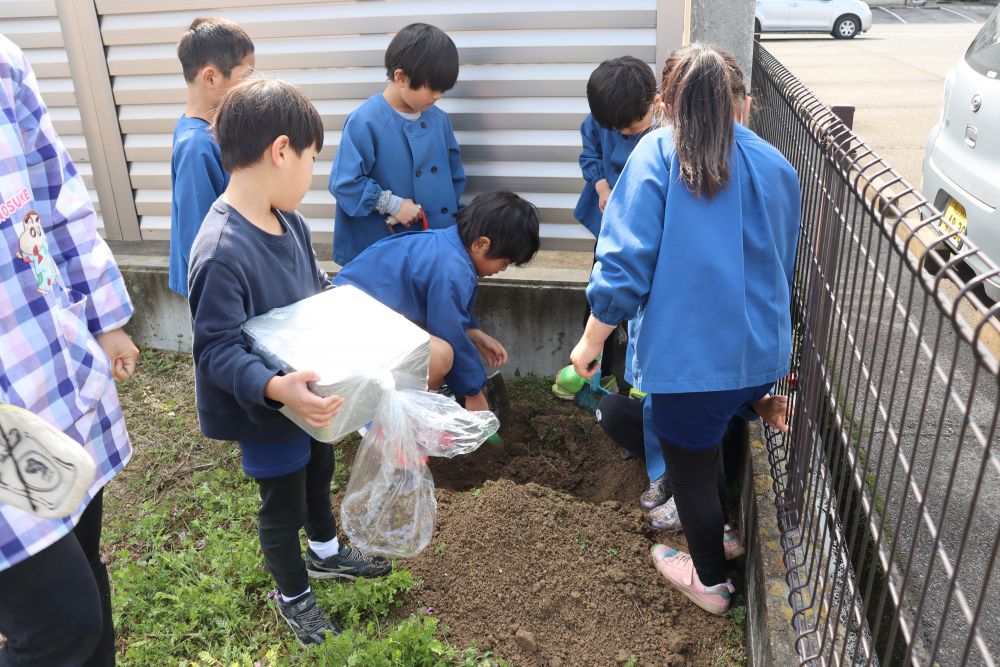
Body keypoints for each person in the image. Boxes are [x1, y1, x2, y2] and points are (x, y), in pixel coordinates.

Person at [570, 44, 801, 616]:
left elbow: (624, 263)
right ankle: (719, 532)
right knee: (713, 439)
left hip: (687, 361)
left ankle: (710, 582)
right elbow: (783, 260)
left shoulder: (658, 155)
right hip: (759, 354)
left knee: (691, 469)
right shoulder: (776, 166)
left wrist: (592, 339)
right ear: (743, 104)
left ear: (667, 105)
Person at [187, 78, 391, 647]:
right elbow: (217, 350)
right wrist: (277, 388)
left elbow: (315, 291)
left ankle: (326, 553)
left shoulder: (290, 222)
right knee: (282, 505)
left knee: (318, 470)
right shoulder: (221, 250)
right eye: (311, 160)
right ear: (281, 151)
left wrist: (353, 313)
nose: (312, 175)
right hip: (268, 407)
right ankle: (294, 594)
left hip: (312, 395)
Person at [0, 35, 139, 665]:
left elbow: (57, 196)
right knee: (61, 624)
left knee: (88, 566)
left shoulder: (4, 60)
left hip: (45, 357)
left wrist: (105, 315)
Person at [332, 191, 539, 412]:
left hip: (351, 315)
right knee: (440, 356)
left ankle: (414, 405)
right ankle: (392, 416)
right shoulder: (452, 268)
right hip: (346, 328)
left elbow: (445, 313)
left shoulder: (445, 246)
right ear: (481, 244)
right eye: (505, 262)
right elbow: (447, 330)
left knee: (436, 361)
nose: (502, 270)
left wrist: (473, 332)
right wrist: (473, 392)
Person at [328, 22, 465, 265]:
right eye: (432, 87)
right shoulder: (366, 121)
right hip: (379, 250)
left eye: (443, 89)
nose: (438, 96)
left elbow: (454, 178)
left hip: (433, 245)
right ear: (401, 77)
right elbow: (344, 183)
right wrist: (392, 204)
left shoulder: (439, 120)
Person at [168, 17, 255, 298]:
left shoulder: (211, 132)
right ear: (210, 77)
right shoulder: (196, 145)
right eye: (247, 76)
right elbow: (200, 238)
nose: (251, 85)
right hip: (216, 290)